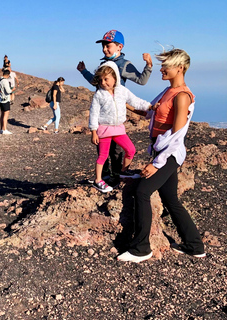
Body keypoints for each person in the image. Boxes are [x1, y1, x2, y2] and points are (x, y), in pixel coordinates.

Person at [117, 48, 205, 263]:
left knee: (142, 192)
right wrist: (121, 103)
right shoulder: (167, 92)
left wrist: (157, 164)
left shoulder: (182, 96)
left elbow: (177, 135)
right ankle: (194, 245)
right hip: (161, 152)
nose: (161, 69)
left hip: (170, 154)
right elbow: (149, 112)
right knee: (170, 199)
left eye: (166, 65)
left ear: (180, 68)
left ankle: (141, 248)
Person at [77, 30, 153, 185]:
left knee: (117, 148)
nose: (105, 49)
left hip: (116, 114)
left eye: (108, 45)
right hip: (104, 113)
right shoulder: (103, 64)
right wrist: (83, 71)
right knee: (103, 147)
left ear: (119, 47)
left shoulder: (125, 65)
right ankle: (104, 176)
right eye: (103, 45)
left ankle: (118, 175)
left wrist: (149, 65)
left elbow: (141, 80)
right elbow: (94, 82)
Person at [88, 62, 151, 192]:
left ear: (115, 77)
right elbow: (93, 114)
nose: (103, 82)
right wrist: (94, 132)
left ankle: (123, 171)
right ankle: (98, 180)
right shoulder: (99, 95)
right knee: (103, 156)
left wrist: (149, 106)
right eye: (100, 80)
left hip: (118, 128)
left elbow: (135, 101)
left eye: (106, 79)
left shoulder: (122, 91)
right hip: (104, 129)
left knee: (131, 150)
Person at [0, 68, 16, 134]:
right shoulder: (5, 81)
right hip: (5, 99)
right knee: (6, 114)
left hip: (0, 99)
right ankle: (4, 129)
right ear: (8, 75)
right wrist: (12, 90)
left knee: (2, 114)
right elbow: (8, 91)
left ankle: (1, 128)